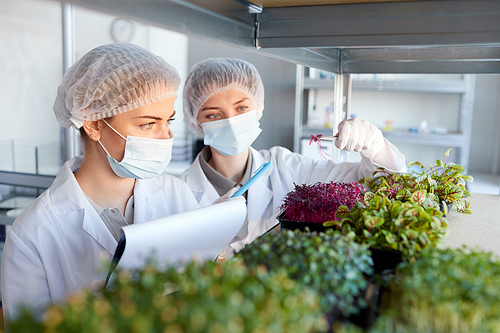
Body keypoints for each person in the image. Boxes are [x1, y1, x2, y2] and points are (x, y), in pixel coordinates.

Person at [1, 43, 232, 321]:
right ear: (94, 123)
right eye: (148, 124)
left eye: (167, 121)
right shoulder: (32, 234)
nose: (166, 137)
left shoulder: (175, 193)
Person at [180, 58, 406, 258]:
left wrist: (375, 149)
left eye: (241, 108)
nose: (230, 121)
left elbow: (373, 188)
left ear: (257, 107)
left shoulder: (286, 167)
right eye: (213, 115)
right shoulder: (178, 194)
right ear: (196, 121)